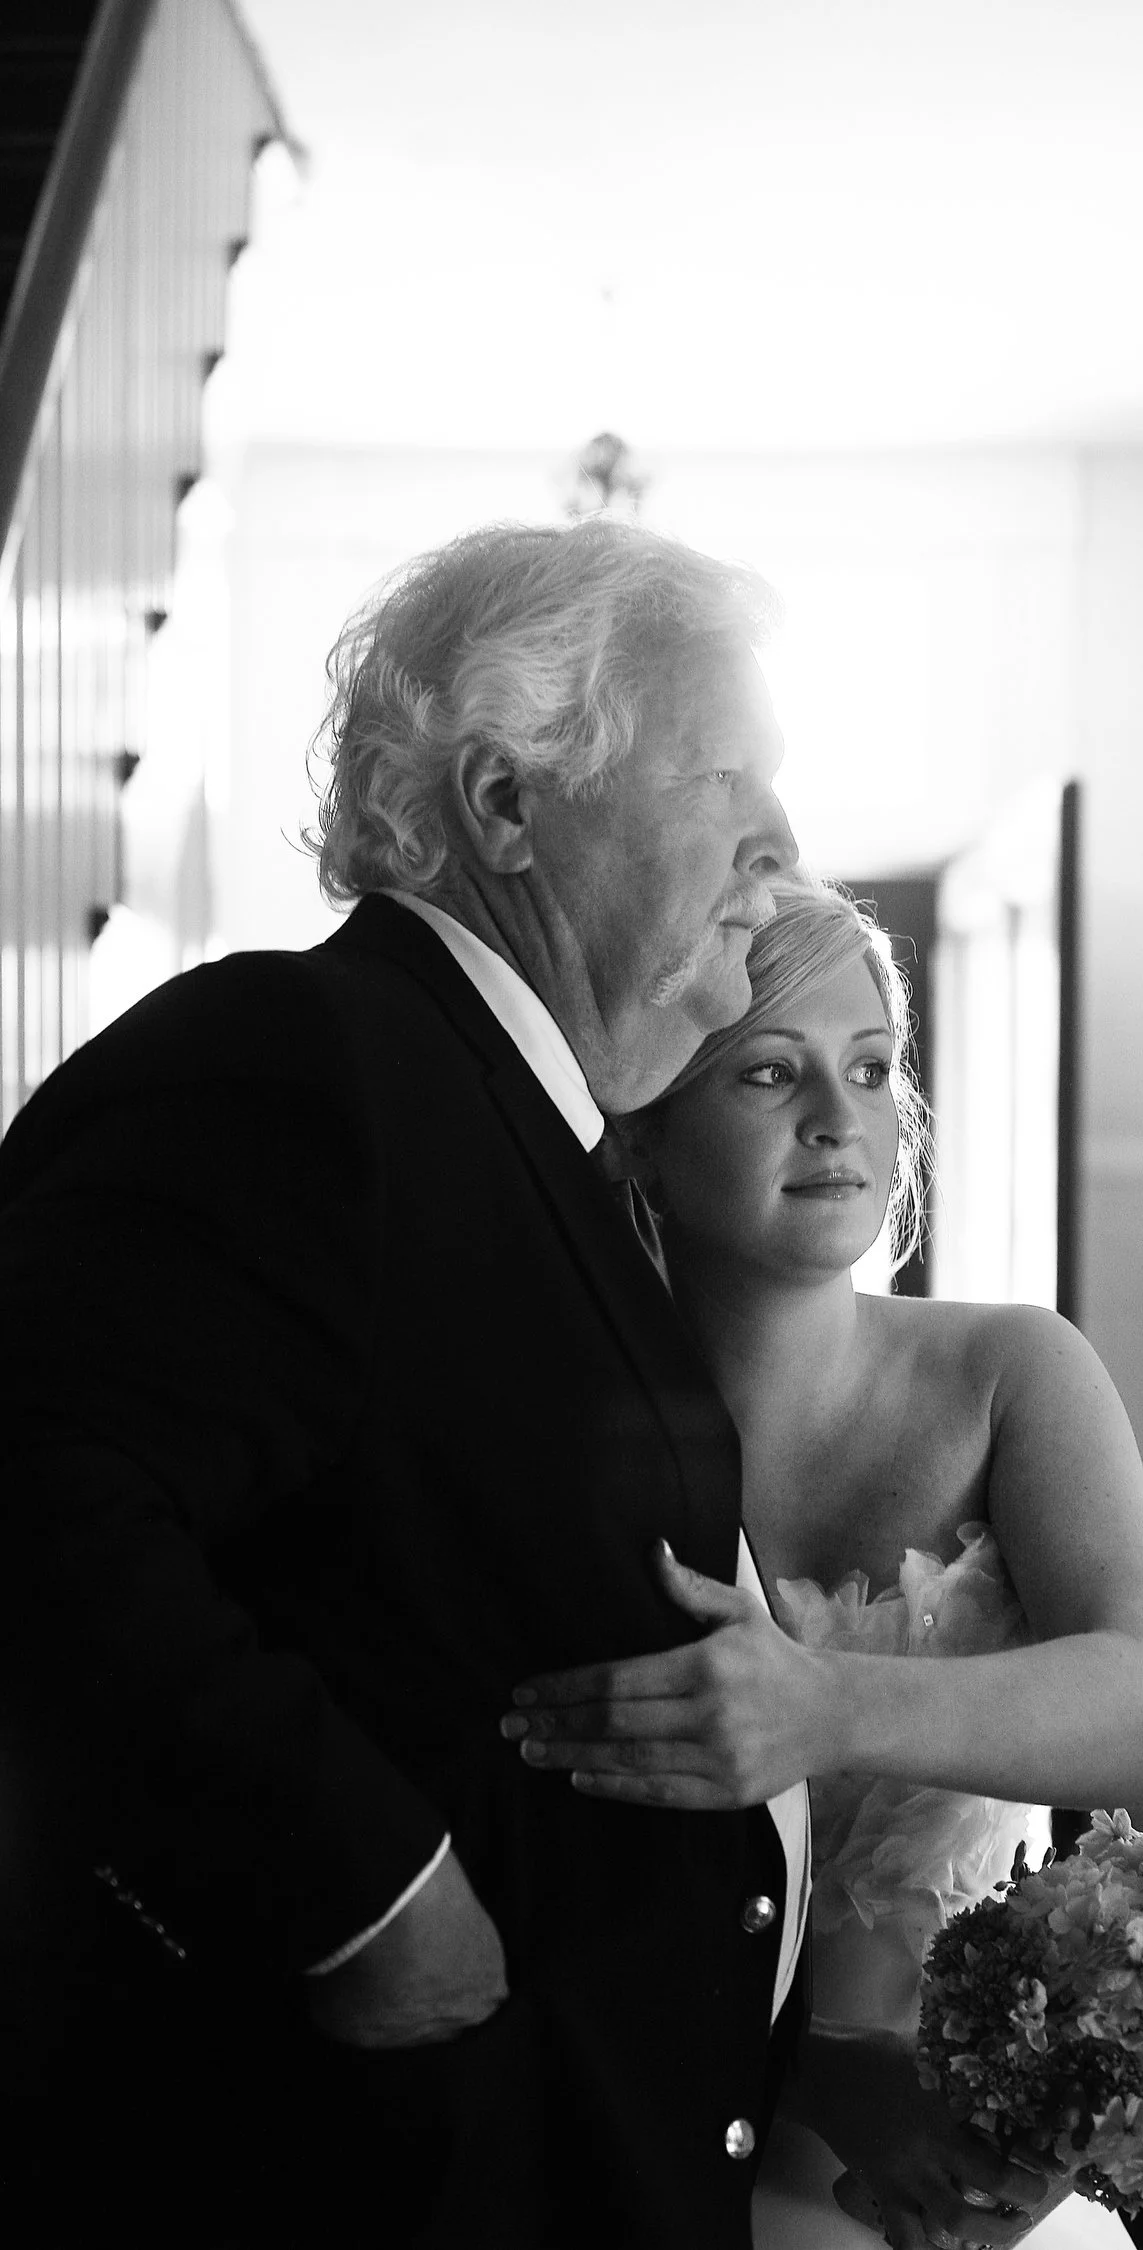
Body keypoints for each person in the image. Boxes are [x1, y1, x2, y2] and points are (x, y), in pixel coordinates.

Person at [0, 524, 1038, 2248]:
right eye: (733, 784)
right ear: (505, 806)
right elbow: (31, 1476)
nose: (784, 847)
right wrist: (358, 1883)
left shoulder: (547, 1143)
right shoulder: (302, 1062)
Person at [499, 879, 1143, 2250]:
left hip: (978, 2189)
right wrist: (812, 2067)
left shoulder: (1015, 1373)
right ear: (642, 1134)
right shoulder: (557, 1442)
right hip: (658, 2171)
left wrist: (823, 1704)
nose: (841, 1117)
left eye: (874, 1067)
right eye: (771, 1070)